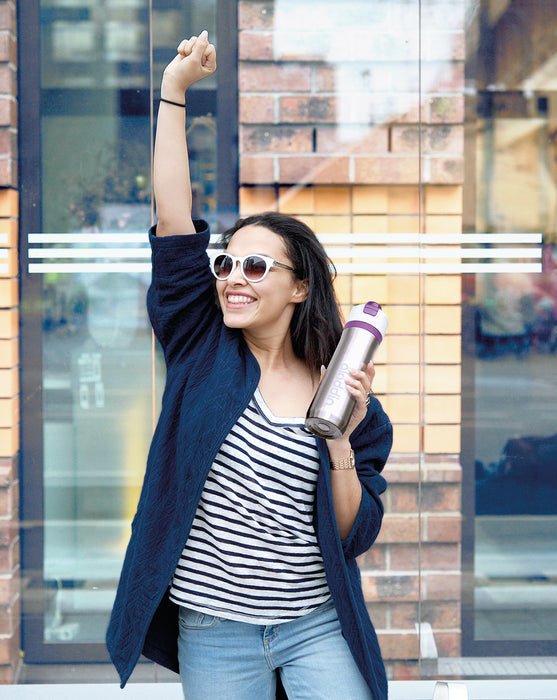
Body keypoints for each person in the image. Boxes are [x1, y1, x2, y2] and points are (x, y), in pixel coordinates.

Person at [106, 30, 393, 700]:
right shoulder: (202, 346)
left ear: (299, 287)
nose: (234, 276)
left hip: (314, 622)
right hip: (217, 629)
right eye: (227, 262)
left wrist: (343, 440)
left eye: (256, 266)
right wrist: (174, 92)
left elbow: (353, 537)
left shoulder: (343, 395)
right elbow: (175, 222)